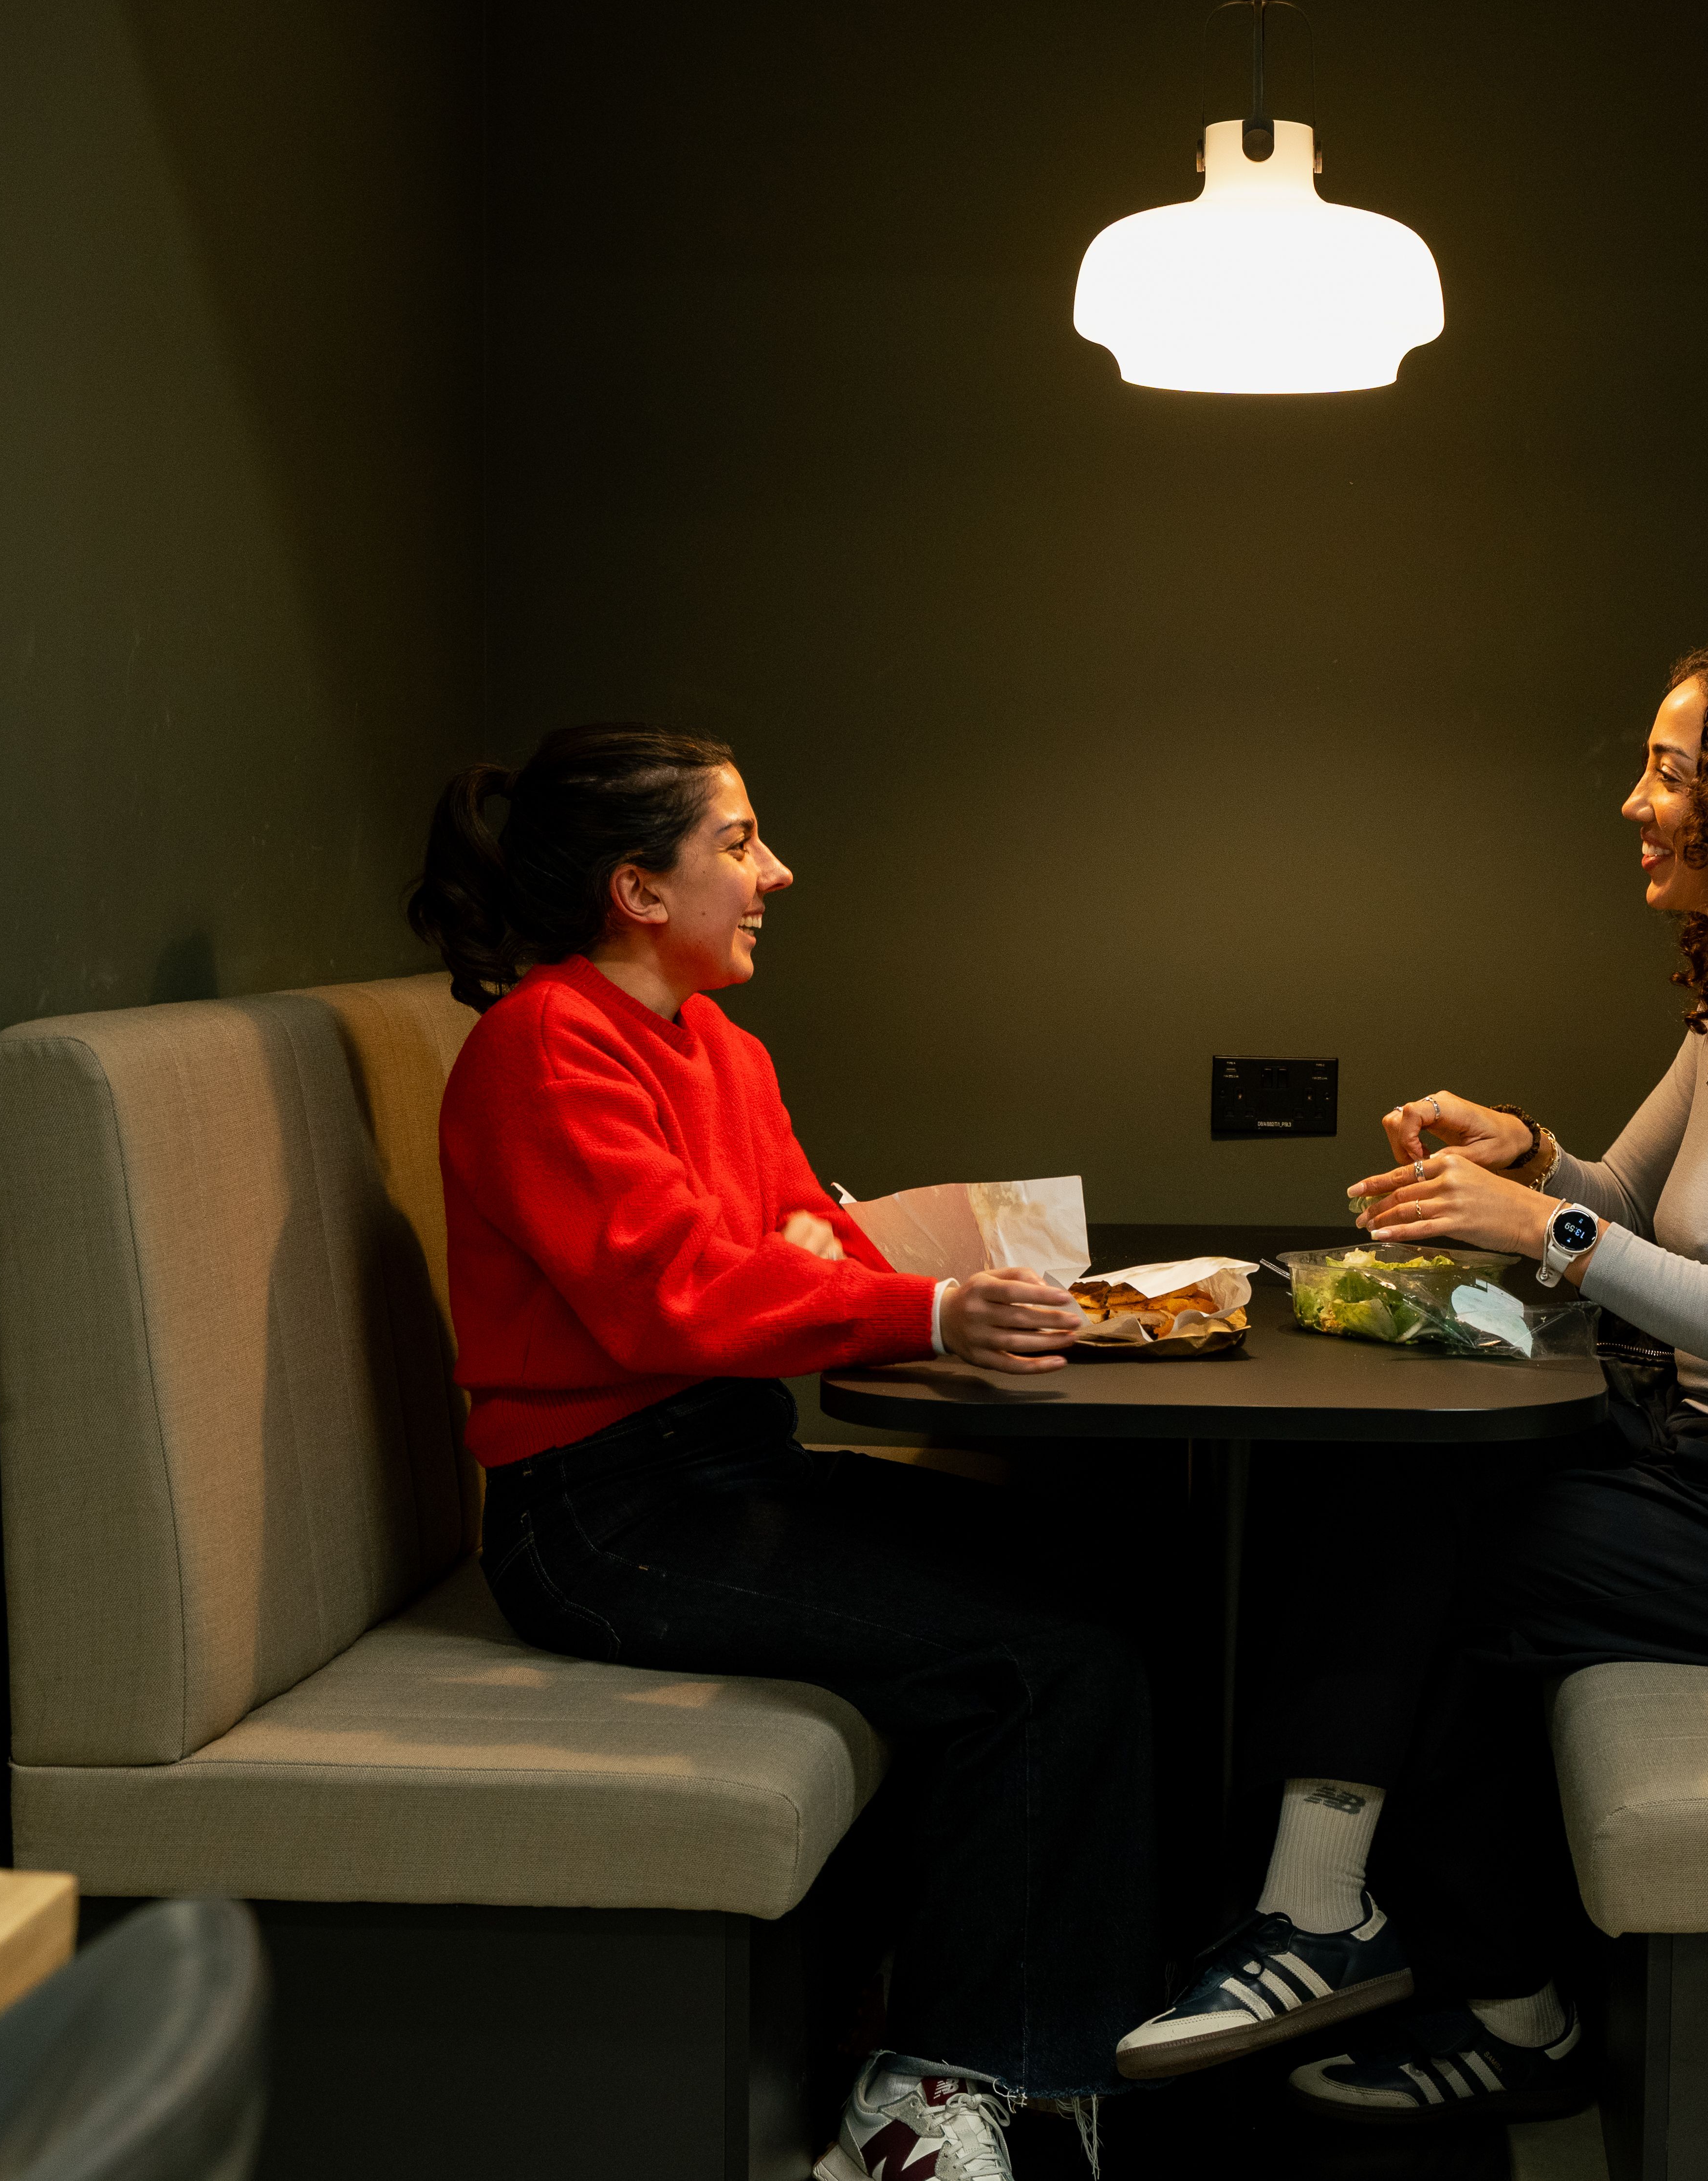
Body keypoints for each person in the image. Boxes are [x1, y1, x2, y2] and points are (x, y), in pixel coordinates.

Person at [1113, 640, 1708, 2126]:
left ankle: (1341, 1924)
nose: (1636, 805)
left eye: (1671, 771)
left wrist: (1547, 1231)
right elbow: (1626, 1199)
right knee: (1397, 1483)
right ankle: (1468, 1980)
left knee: (1457, 1557)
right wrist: (1527, 1151)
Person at [409, 724, 1151, 2181]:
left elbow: (799, 1247)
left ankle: (1051, 2039)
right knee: (1041, 1658)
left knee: (1114, 1570)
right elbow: (677, 1291)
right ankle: (928, 2089)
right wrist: (920, 1298)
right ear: (637, 886)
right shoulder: (545, 1043)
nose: (776, 872)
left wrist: (839, 1271)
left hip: (727, 1461)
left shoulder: (723, 1048)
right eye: (740, 842)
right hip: (604, 1514)